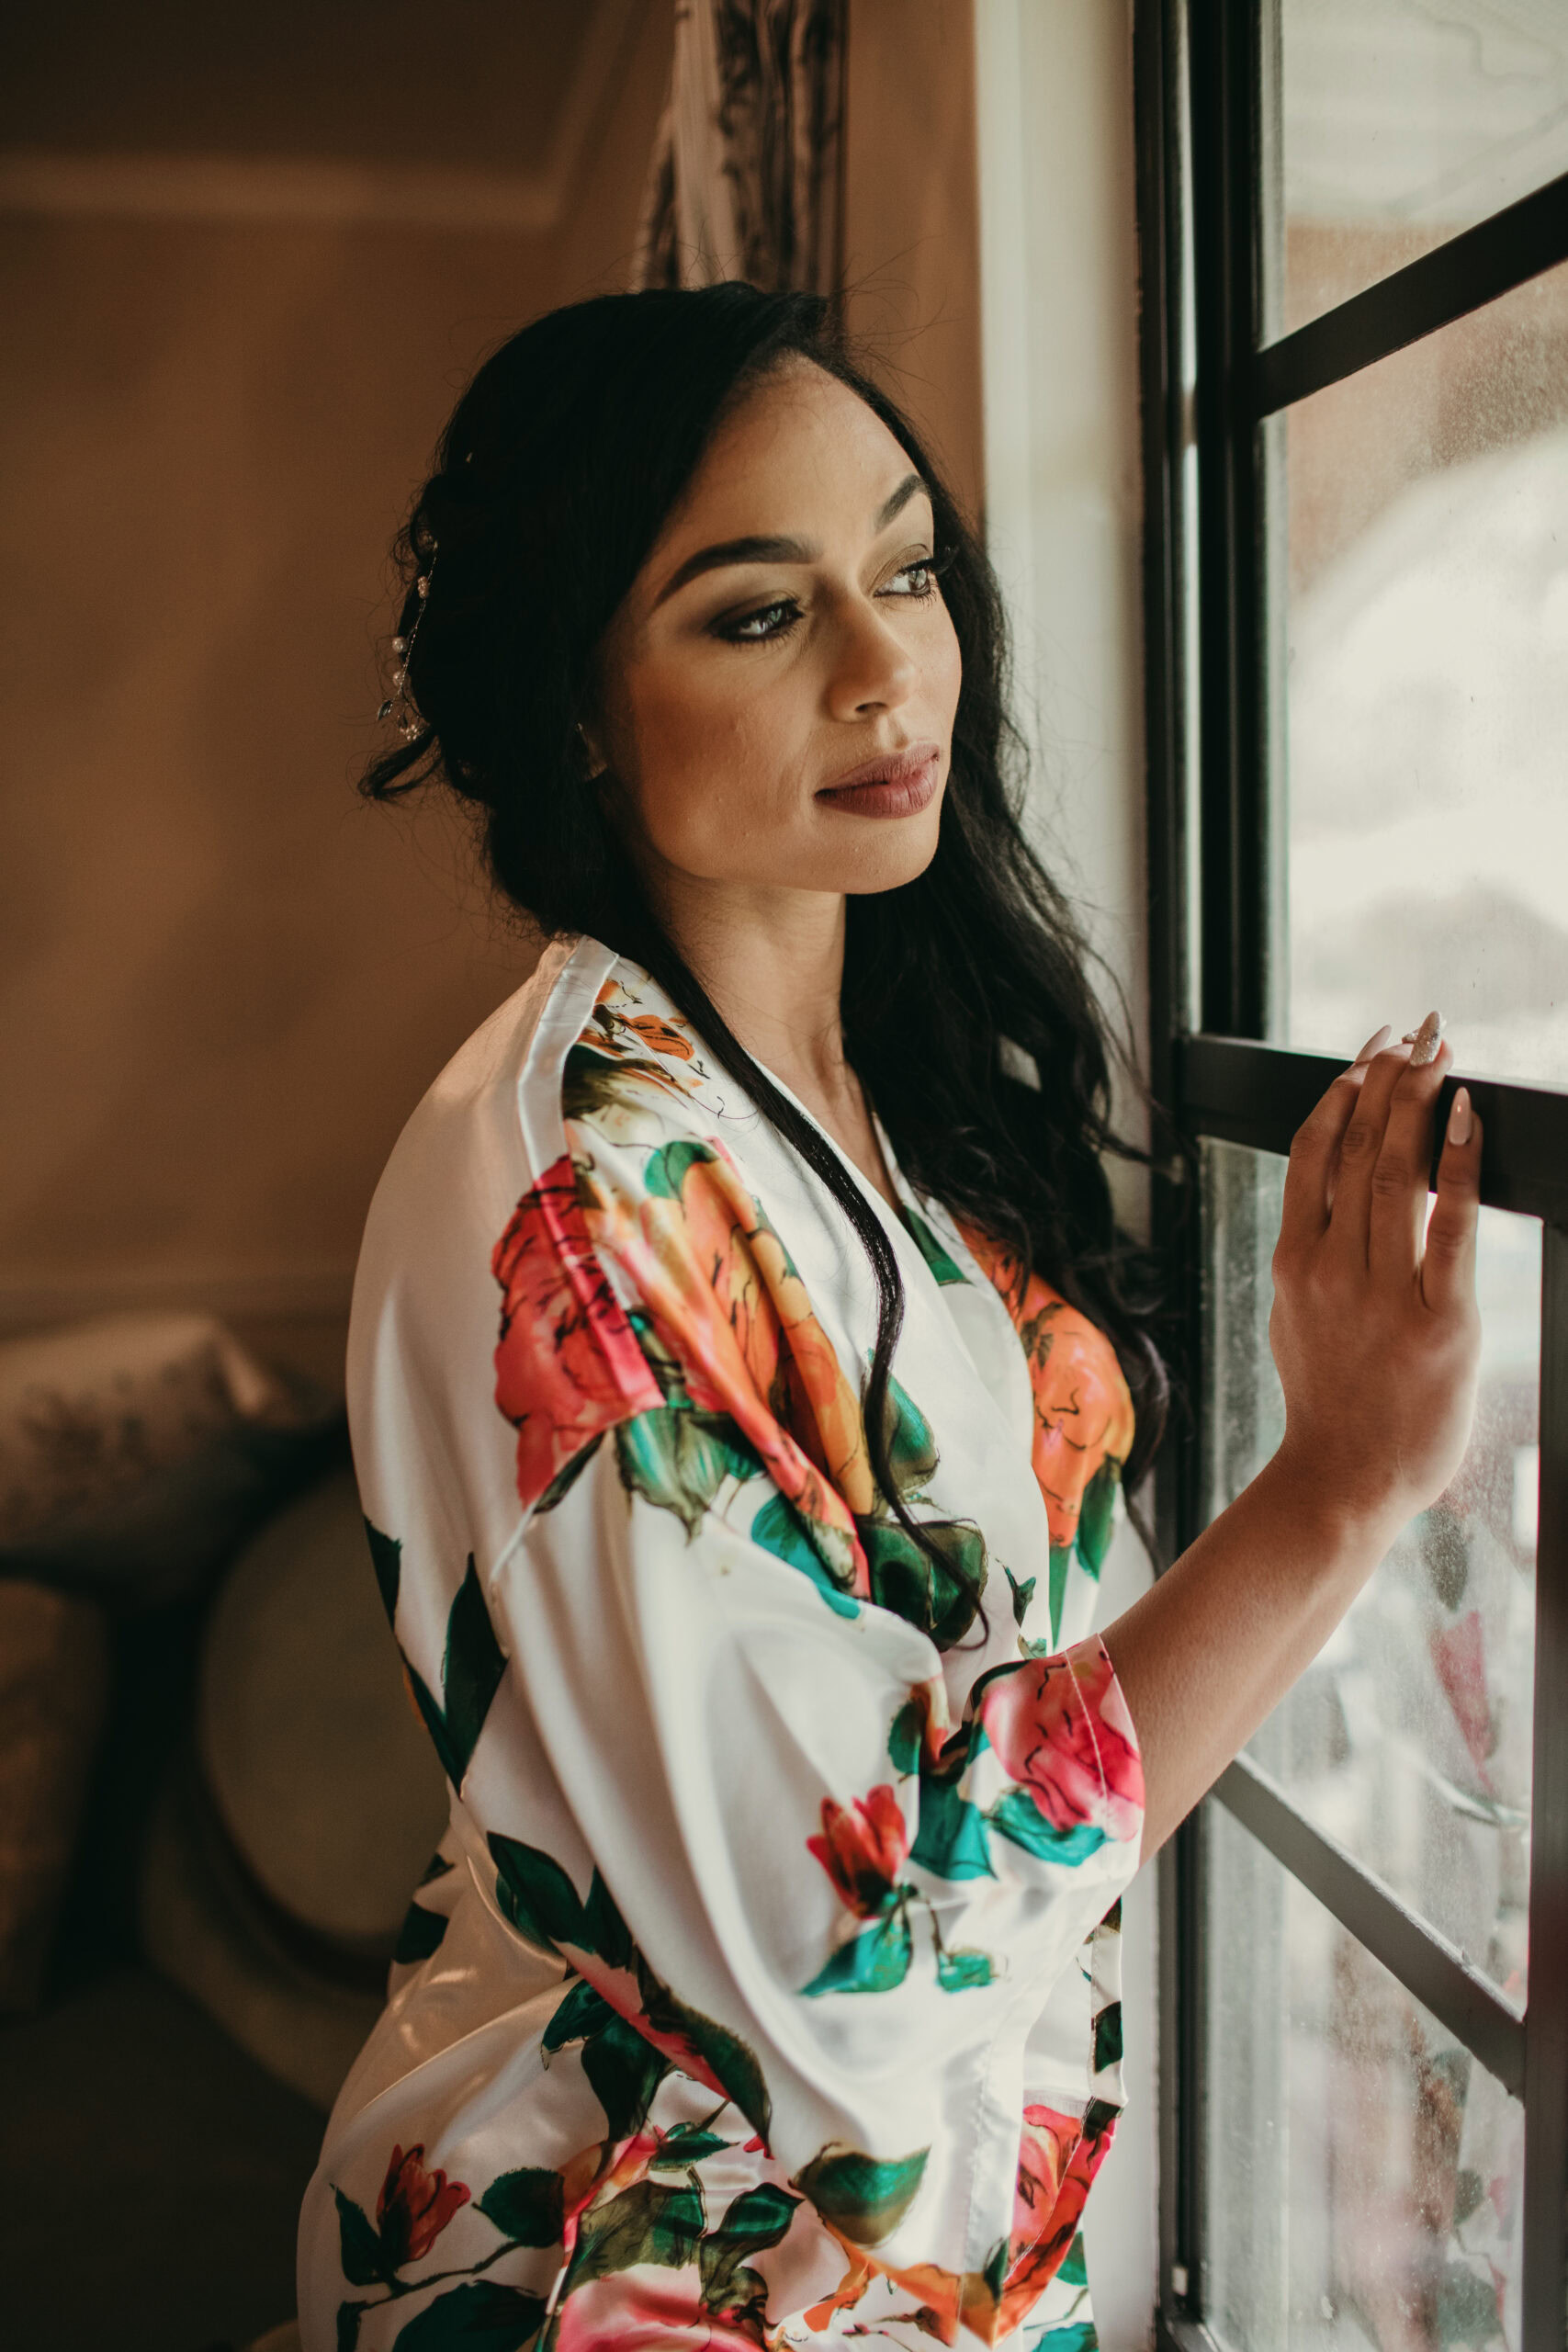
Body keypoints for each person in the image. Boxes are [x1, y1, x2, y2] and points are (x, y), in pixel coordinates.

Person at [295, 282, 1481, 2350]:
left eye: (907, 568)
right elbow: (852, 1973)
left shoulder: (887, 1088)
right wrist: (1338, 1483)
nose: (884, 668)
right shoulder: (570, 1199)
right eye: (757, 611)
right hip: (629, 2266)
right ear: (575, 703)